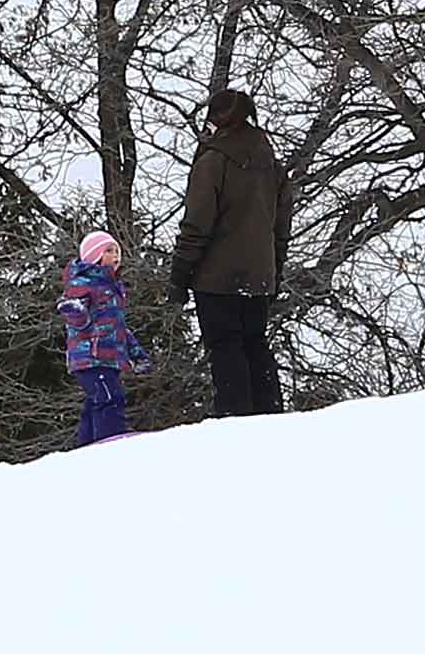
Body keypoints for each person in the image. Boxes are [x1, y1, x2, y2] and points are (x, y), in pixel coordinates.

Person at [170, 86, 289, 420]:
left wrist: (180, 276)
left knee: (226, 350)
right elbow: (281, 228)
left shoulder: (214, 161)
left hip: (217, 277)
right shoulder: (272, 164)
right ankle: (272, 418)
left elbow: (196, 224)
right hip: (260, 275)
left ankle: (236, 426)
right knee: (255, 345)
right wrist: (274, 270)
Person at [57, 229, 149, 447]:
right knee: (110, 397)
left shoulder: (112, 288)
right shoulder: (84, 283)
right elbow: (76, 318)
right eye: (109, 251)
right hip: (90, 357)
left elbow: (119, 328)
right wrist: (76, 312)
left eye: (117, 251)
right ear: (94, 255)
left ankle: (87, 446)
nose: (116, 255)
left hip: (109, 358)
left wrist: (136, 353)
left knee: (96, 401)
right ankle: (110, 443)